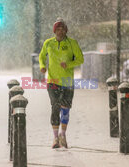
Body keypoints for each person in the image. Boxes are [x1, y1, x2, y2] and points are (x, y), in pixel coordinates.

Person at [39, 18, 84, 149]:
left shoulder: (72, 43)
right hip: (52, 81)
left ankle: (63, 135)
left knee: (65, 108)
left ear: (66, 30)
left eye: (62, 29)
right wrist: (42, 66)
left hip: (67, 81)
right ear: (54, 31)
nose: (60, 31)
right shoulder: (48, 43)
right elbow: (42, 56)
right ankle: (55, 138)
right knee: (55, 107)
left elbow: (80, 59)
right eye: (58, 29)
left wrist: (69, 64)